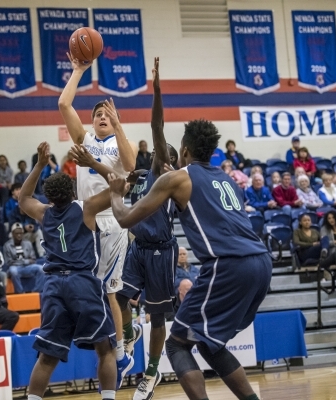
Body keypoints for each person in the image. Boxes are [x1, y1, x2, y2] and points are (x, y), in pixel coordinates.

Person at [108, 118, 272, 400]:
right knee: (209, 344)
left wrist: (114, 194)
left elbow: (123, 218)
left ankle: (147, 365)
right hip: (261, 261)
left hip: (225, 263)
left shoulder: (177, 178)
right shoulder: (227, 179)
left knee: (176, 345)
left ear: (184, 150)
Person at [74, 58, 177, 398]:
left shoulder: (177, 184)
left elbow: (155, 135)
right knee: (116, 294)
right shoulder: (143, 177)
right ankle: (127, 337)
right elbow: (133, 164)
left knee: (159, 318)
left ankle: (151, 372)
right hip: (136, 247)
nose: (164, 161)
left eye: (169, 159)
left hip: (162, 252)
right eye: (161, 158)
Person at [59, 52, 137, 383]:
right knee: (89, 288)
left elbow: (132, 167)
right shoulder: (85, 139)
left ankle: (119, 353)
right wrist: (78, 70)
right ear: (91, 122)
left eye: (107, 113)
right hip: (85, 221)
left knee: (108, 292)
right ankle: (112, 348)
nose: (101, 117)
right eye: (97, 114)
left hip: (113, 221)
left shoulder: (119, 143)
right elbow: (64, 105)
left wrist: (119, 125)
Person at [18, 142, 118, 400]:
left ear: (49, 197)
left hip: (52, 285)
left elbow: (23, 198)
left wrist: (40, 164)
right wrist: (92, 163)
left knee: (48, 354)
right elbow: (119, 185)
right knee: (105, 347)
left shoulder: (43, 212)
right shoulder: (86, 207)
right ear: (73, 190)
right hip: (82, 282)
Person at [3, 223, 45, 293]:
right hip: (15, 268)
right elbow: (9, 262)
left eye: (21, 233)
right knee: (13, 271)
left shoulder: (28, 243)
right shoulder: (7, 245)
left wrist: (22, 261)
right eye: (17, 233)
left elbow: (33, 259)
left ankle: (36, 291)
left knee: (41, 269)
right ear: (13, 234)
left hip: (27, 267)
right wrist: (26, 261)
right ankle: (20, 292)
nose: (19, 235)